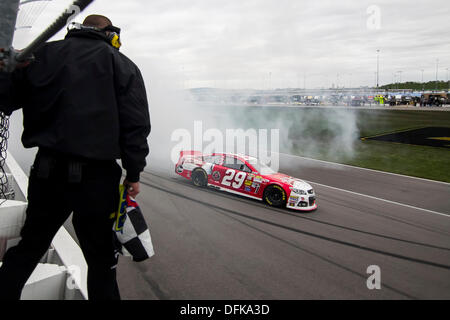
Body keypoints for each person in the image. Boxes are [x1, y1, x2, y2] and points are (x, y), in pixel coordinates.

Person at [0, 14, 151, 300]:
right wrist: (133, 174)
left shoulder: (41, 55)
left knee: (29, 248)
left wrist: (6, 72)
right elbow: (136, 126)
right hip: (96, 180)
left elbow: (5, 100)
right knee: (101, 262)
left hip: (47, 173)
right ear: (110, 33)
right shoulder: (123, 65)